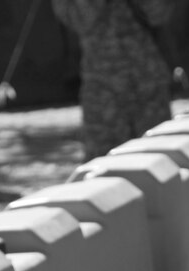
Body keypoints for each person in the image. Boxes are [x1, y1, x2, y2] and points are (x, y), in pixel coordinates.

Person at [51, 0, 175, 159]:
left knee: (160, 160)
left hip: (147, 85)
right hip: (102, 91)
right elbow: (81, 21)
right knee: (103, 165)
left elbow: (159, 15)